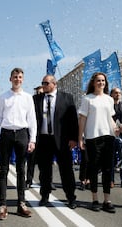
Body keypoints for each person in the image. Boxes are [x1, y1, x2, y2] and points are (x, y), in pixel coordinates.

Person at [0, 67, 37, 220]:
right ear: (10, 79)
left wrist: (32, 140)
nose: (17, 79)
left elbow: (32, 119)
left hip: (22, 134)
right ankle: (3, 205)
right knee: (4, 170)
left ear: (22, 79)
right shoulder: (3, 97)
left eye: (20, 77)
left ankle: (21, 204)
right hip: (6, 134)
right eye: (15, 77)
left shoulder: (27, 97)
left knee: (21, 170)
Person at [33, 74, 78, 209]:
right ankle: (45, 196)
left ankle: (71, 197)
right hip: (44, 139)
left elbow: (73, 120)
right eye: (42, 83)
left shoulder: (66, 98)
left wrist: (73, 138)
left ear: (54, 84)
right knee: (44, 171)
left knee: (66, 170)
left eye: (46, 83)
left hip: (62, 140)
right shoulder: (36, 99)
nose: (43, 86)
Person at [78, 72, 119, 213]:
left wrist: (117, 129)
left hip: (108, 136)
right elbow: (82, 119)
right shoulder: (87, 99)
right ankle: (95, 199)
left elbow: (111, 119)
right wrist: (80, 138)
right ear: (93, 83)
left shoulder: (109, 99)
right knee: (93, 169)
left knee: (108, 169)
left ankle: (107, 200)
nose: (101, 83)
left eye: (103, 80)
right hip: (92, 137)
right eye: (98, 80)